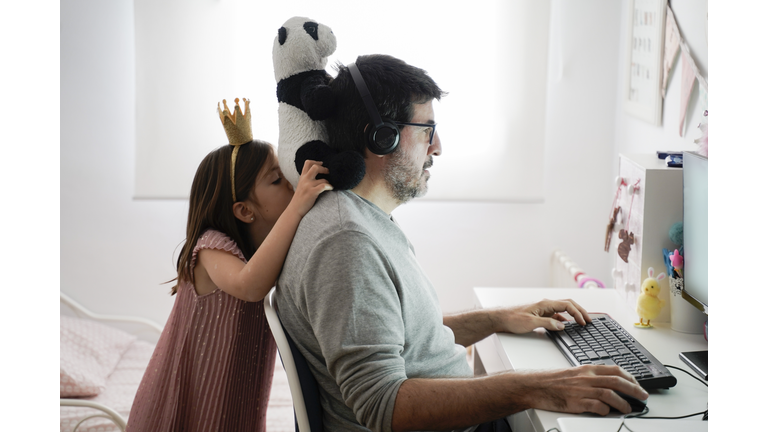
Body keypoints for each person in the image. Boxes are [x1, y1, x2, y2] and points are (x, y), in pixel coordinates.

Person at [275, 55, 649, 432]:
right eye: (426, 129)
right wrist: (537, 387)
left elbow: (405, 337)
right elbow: (382, 404)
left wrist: (499, 318)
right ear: (381, 136)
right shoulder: (347, 243)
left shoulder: (359, 219)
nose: (436, 147)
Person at [126, 98, 332, 431]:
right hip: (186, 400)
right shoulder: (210, 247)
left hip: (234, 399)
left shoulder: (263, 251)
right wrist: (297, 206)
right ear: (244, 211)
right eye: (277, 180)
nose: (292, 185)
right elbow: (249, 287)